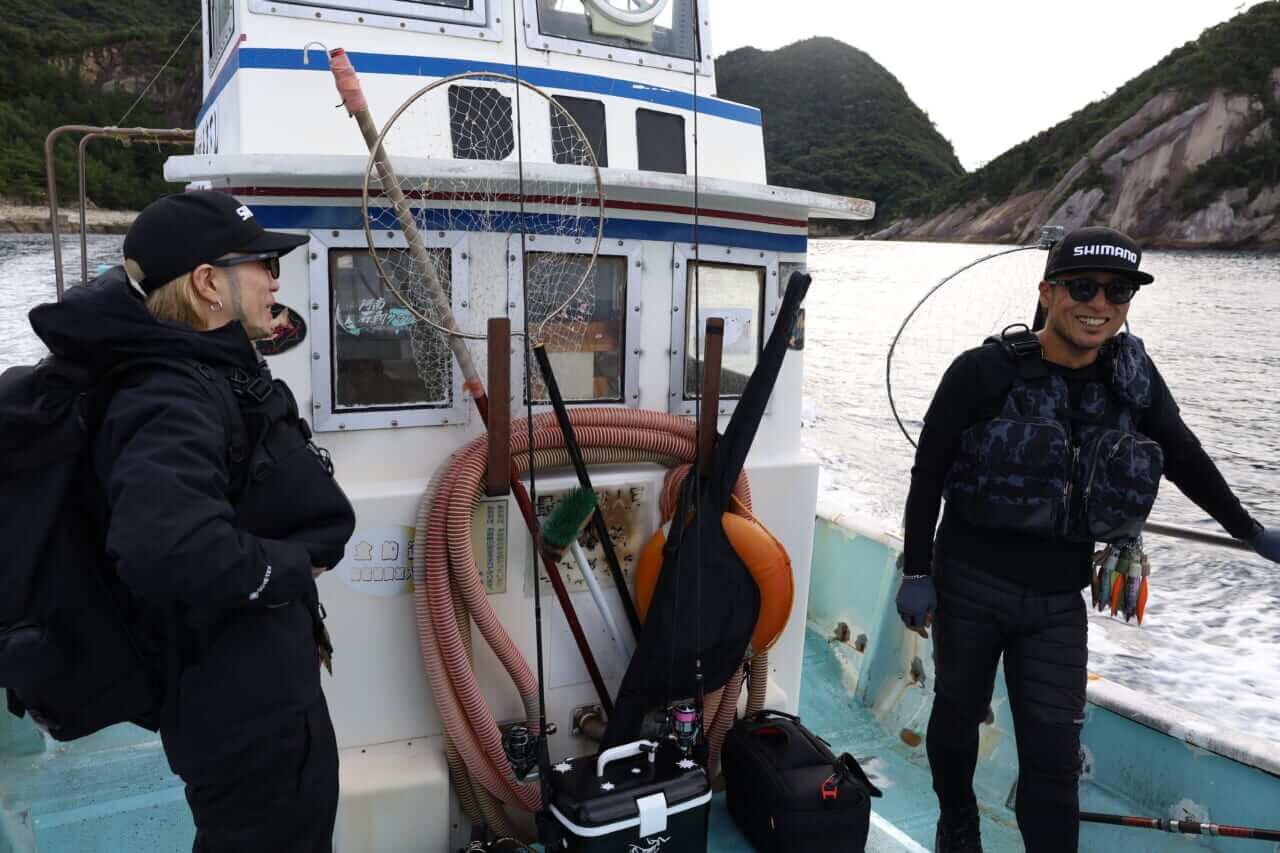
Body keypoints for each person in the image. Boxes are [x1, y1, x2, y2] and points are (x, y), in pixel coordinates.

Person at [893, 226, 1280, 853]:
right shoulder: (983, 371)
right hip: (970, 583)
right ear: (1048, 292)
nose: (1099, 303)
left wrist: (1250, 530)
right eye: (1081, 287)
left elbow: (1184, 457)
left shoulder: (1133, 381)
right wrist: (917, 572)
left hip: (1056, 603)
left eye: (1117, 291)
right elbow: (928, 473)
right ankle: (957, 824)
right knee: (958, 715)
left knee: (1053, 758)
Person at [29, 191, 356, 853]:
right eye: (263, 264)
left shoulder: (204, 373)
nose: (275, 281)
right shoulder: (170, 393)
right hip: (239, 703)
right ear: (208, 283)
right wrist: (291, 567)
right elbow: (164, 547)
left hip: (259, 683)